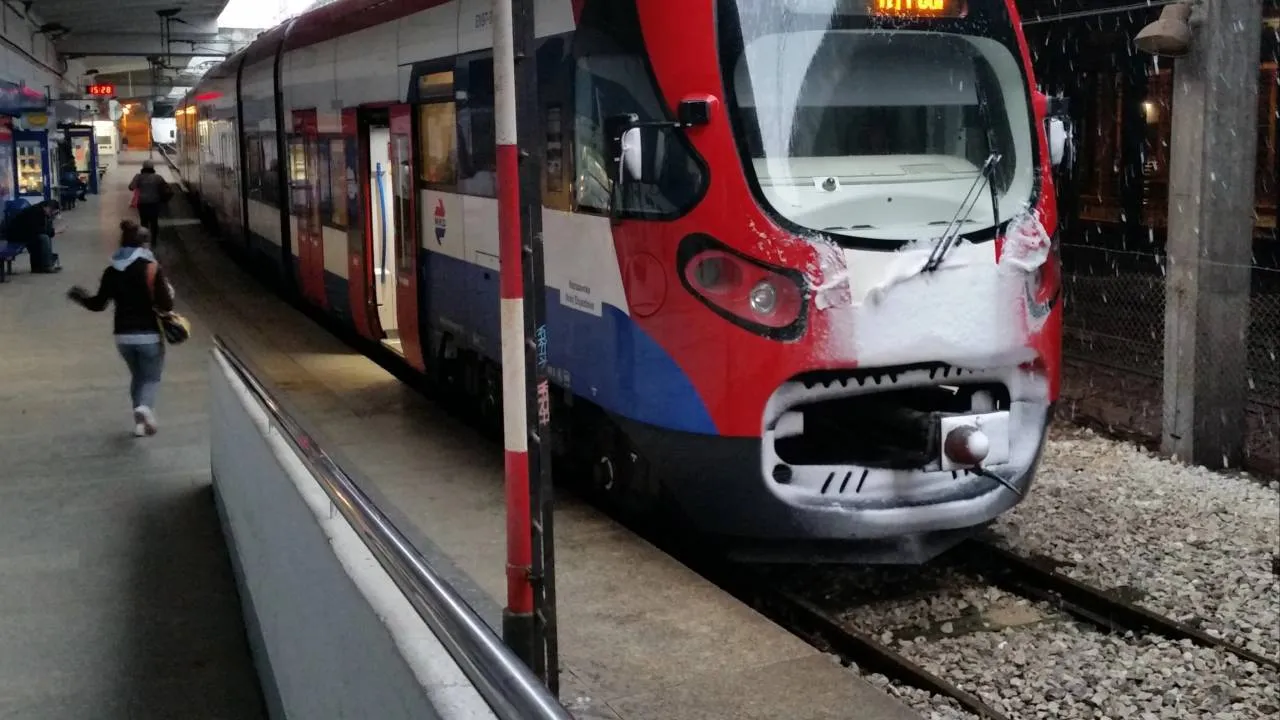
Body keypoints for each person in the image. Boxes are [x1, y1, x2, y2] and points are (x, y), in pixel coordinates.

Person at [67, 220, 174, 437]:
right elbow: (166, 305)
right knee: (151, 378)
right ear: (145, 244)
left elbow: (98, 304)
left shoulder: (112, 271)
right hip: (149, 334)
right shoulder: (151, 268)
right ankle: (145, 408)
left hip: (123, 337)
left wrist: (80, 296)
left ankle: (140, 424)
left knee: (137, 377)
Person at [6, 199, 61, 273]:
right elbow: (38, 230)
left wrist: (51, 224)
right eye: (52, 211)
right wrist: (55, 231)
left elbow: (43, 229)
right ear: (47, 207)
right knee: (44, 238)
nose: (52, 213)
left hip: (25, 233)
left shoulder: (42, 212)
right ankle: (47, 265)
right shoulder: (35, 212)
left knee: (43, 238)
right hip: (17, 234)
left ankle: (42, 265)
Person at [128, 160, 171, 245]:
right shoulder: (158, 177)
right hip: (155, 203)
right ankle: (154, 241)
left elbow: (131, 187)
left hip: (142, 203)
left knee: (144, 222)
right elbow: (166, 188)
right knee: (154, 222)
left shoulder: (138, 177)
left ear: (143, 167)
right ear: (152, 168)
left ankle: (145, 240)